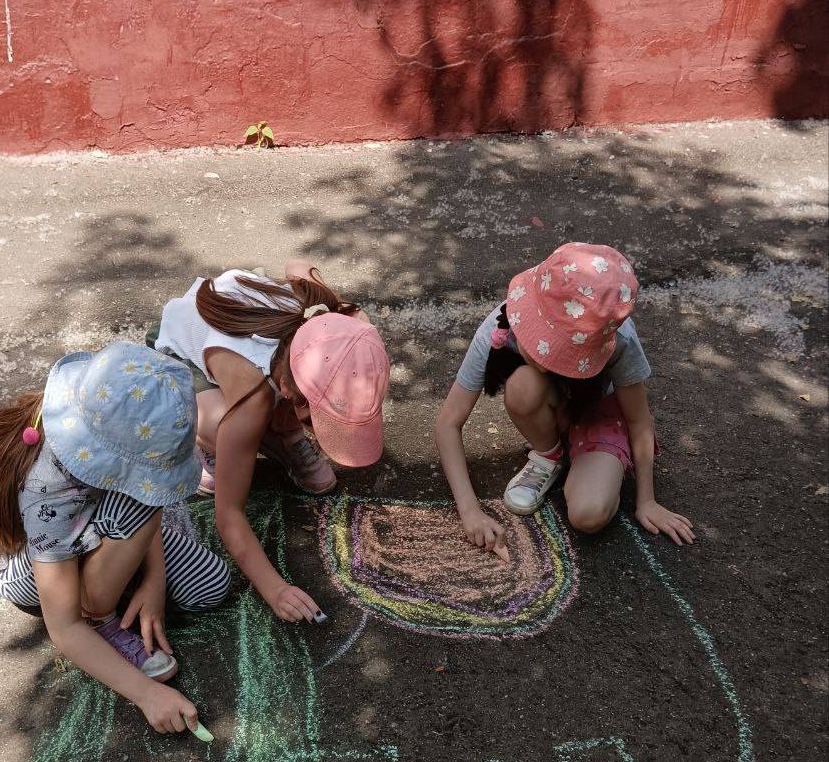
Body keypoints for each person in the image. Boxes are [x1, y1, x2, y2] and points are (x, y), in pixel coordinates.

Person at [0, 341, 231, 736]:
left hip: (90, 518)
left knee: (208, 585)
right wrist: (146, 695)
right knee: (129, 516)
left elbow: (143, 495)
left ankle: (108, 574)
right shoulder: (47, 495)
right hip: (22, 559)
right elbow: (65, 626)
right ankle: (102, 614)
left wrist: (154, 582)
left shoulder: (103, 421)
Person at [155, 261, 390, 622]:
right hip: (180, 358)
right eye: (314, 419)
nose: (320, 430)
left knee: (259, 417)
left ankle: (281, 433)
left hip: (254, 352)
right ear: (288, 392)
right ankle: (210, 447)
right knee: (225, 427)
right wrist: (275, 589)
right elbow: (229, 515)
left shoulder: (343, 326)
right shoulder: (252, 394)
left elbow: (299, 268)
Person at [435, 242, 694, 547]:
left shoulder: (618, 339)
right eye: (543, 346)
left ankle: (589, 457)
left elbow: (639, 420)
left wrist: (646, 501)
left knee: (589, 514)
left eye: (559, 353)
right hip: (555, 408)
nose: (545, 364)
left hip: (599, 415)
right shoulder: (503, 325)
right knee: (524, 385)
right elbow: (447, 423)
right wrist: (469, 512)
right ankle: (550, 455)